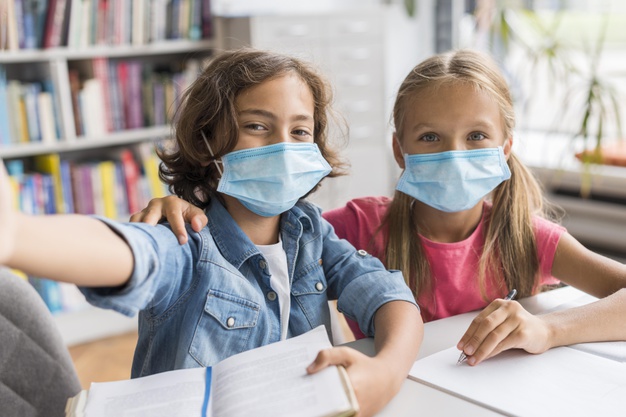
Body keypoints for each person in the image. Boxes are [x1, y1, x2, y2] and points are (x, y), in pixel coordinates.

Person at [133, 48, 626, 367]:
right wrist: (186, 202)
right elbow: (254, 244)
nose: (453, 154)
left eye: (476, 137)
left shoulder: (528, 236)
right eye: (430, 137)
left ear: (506, 148)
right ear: (399, 150)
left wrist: (547, 329)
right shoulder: (362, 226)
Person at [0, 49, 424, 417]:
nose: (283, 145)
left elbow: (386, 293)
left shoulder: (311, 231)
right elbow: (132, 254)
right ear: (207, 142)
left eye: (299, 131)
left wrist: (387, 371)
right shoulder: (188, 238)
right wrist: (16, 235)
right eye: (257, 126)